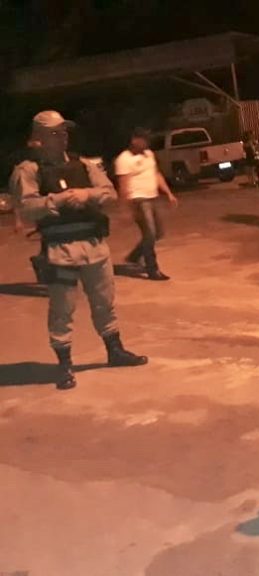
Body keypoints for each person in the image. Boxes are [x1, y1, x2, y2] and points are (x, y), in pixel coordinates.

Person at [12, 110, 148, 390]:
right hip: (61, 251)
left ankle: (115, 350)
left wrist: (87, 194)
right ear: (39, 138)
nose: (62, 138)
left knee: (104, 301)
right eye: (54, 133)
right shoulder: (29, 170)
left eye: (64, 132)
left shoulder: (84, 165)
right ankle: (64, 365)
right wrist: (58, 200)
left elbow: (109, 192)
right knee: (62, 309)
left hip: (94, 245)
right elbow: (26, 207)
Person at [114, 128, 177, 281]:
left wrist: (168, 193)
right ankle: (152, 269)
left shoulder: (149, 154)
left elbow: (156, 174)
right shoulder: (124, 159)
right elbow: (123, 185)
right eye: (144, 140)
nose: (147, 143)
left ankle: (135, 255)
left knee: (158, 233)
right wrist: (125, 208)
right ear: (134, 140)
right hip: (138, 200)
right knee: (150, 234)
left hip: (152, 197)